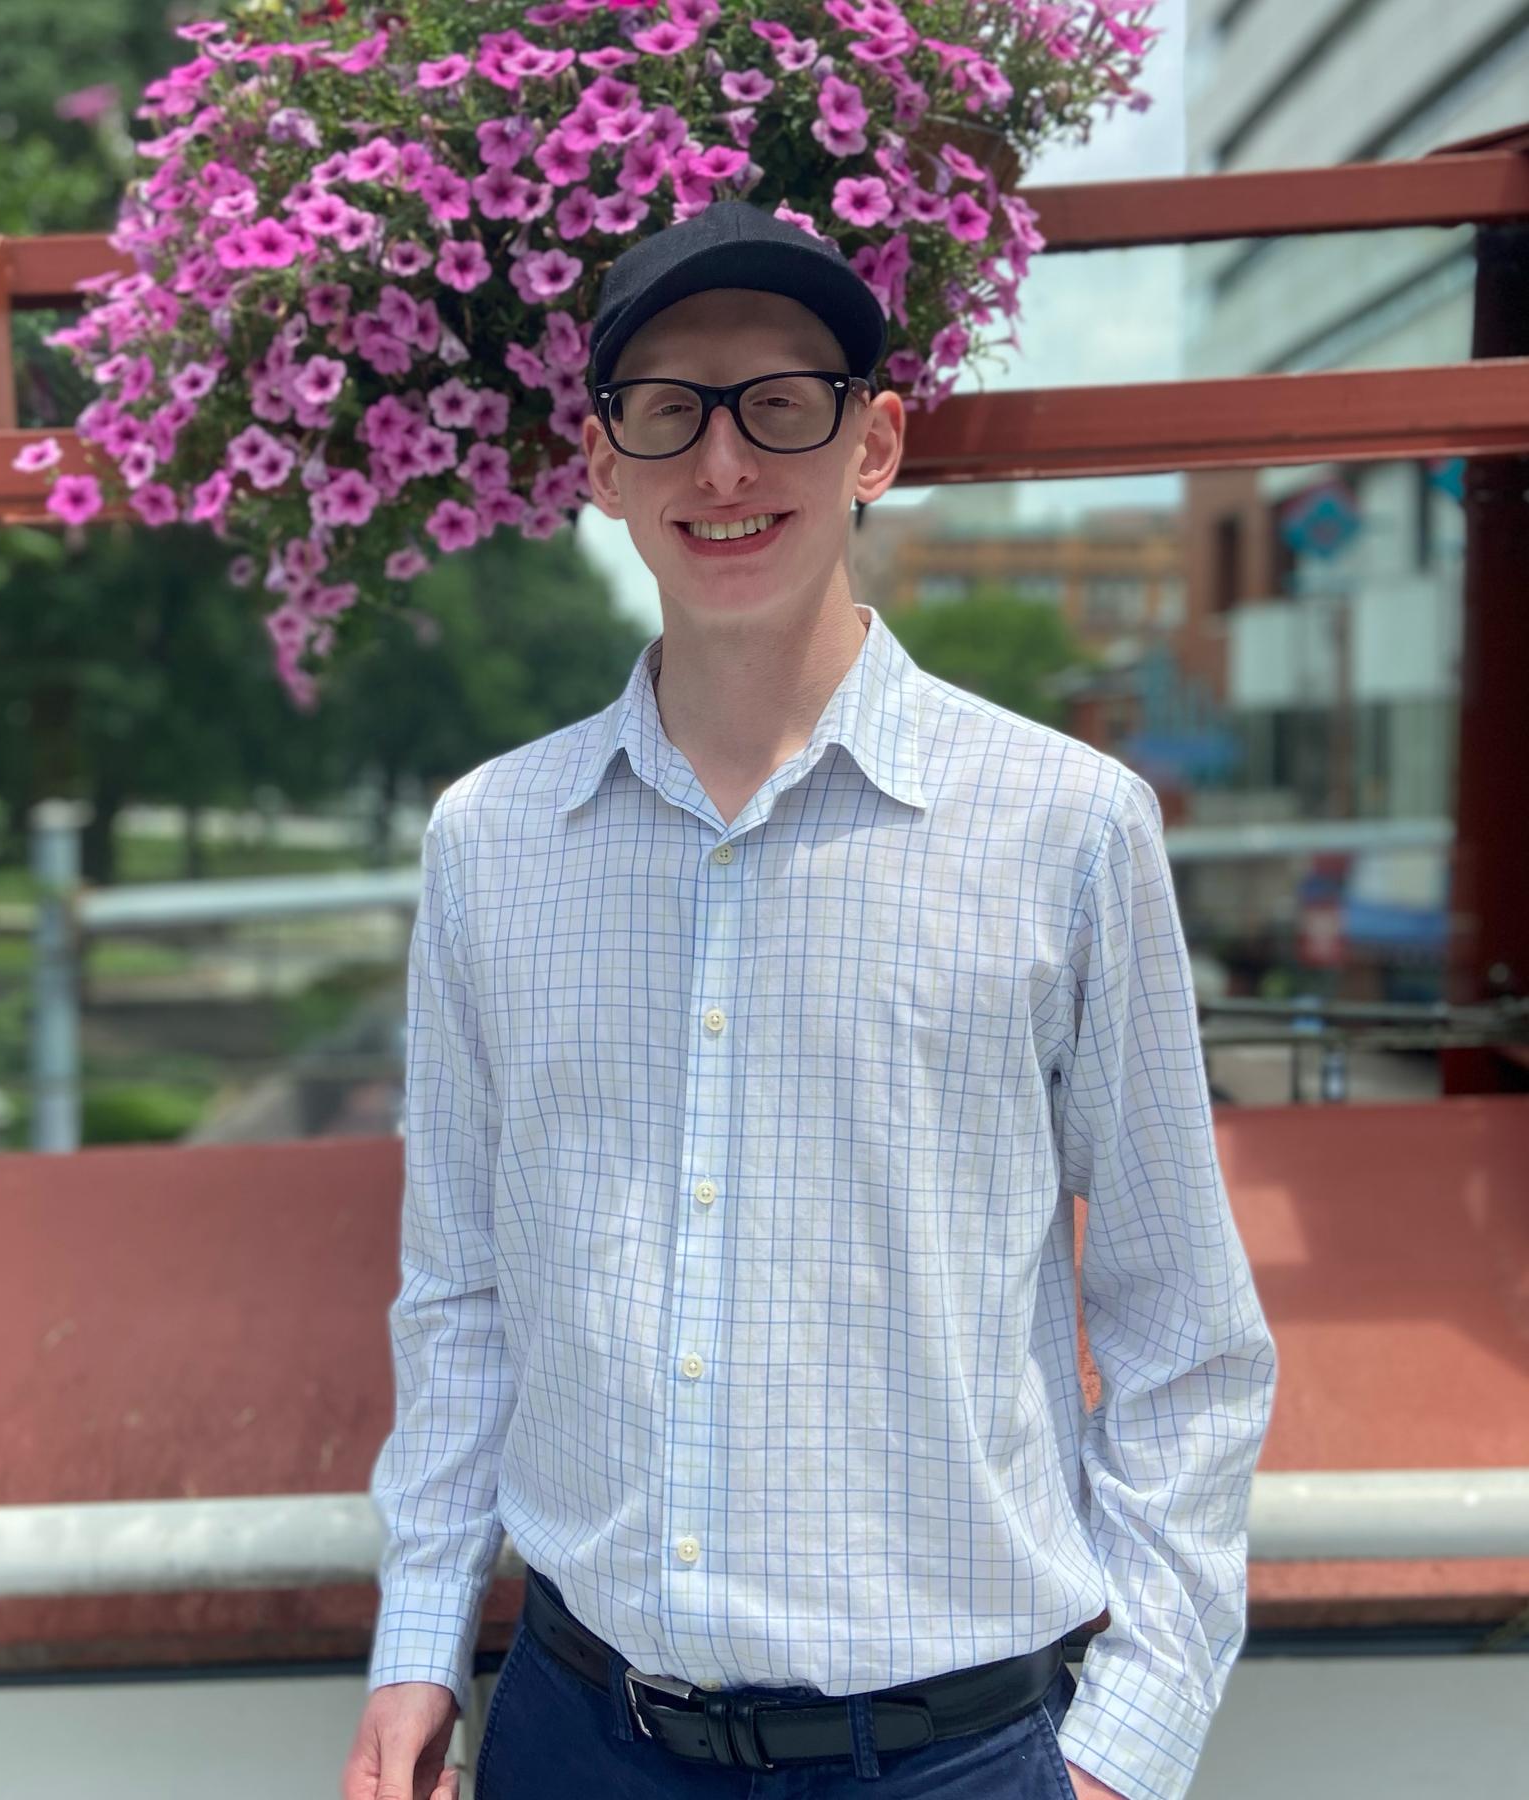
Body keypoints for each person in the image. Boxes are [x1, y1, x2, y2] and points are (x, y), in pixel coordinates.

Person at [342, 200, 1278, 1800]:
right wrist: (419, 1642)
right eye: (668, 411)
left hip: (955, 1753)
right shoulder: (490, 843)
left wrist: (1127, 1746)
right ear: (602, 463)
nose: (724, 465)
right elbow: (461, 1294)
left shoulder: (1066, 827)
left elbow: (1181, 1326)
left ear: (874, 443)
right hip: (579, 1732)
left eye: (781, 405)